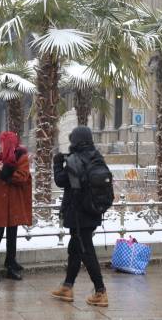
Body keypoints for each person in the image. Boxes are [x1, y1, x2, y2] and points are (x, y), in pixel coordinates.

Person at [51, 126, 108, 307]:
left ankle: (100, 291)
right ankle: (67, 287)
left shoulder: (75, 159)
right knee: (75, 248)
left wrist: (57, 162)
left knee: (85, 251)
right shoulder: (96, 157)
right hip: (92, 209)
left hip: (77, 213)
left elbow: (61, 180)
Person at [0, 131, 32, 282]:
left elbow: (22, 177)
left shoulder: (21, 157)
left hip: (13, 203)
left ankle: (10, 266)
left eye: (3, 142)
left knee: (12, 235)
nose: (0, 145)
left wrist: (4, 172)